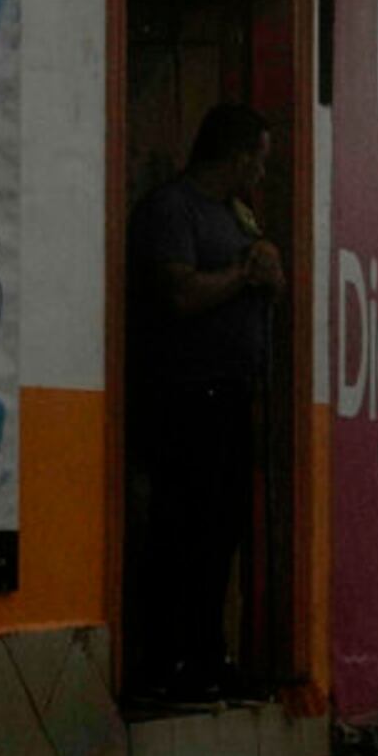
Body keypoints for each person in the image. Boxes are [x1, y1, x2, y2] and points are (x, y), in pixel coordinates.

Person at [127, 104, 283, 703]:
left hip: (233, 397)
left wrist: (266, 269)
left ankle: (208, 653)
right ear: (238, 156)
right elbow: (179, 294)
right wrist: (244, 274)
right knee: (181, 530)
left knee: (222, 532)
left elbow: (263, 273)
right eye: (260, 161)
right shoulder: (173, 210)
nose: (263, 175)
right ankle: (168, 660)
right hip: (186, 397)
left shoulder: (237, 214)